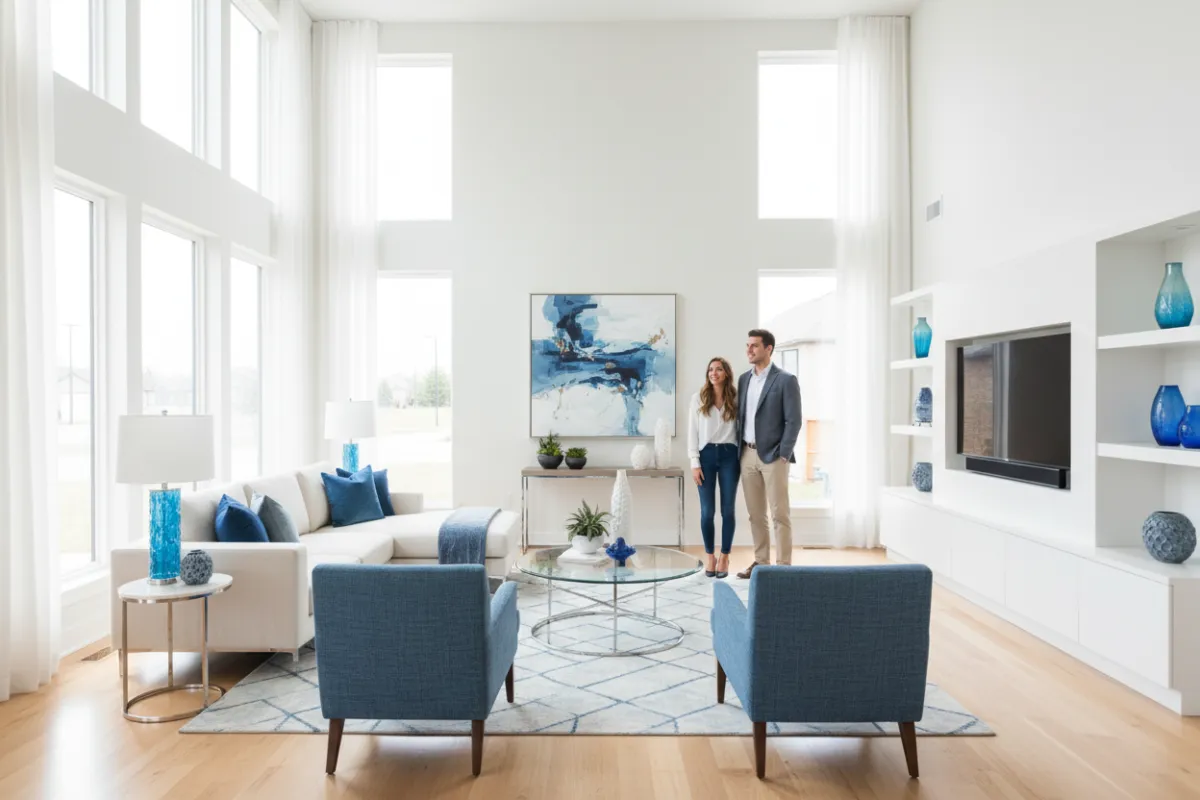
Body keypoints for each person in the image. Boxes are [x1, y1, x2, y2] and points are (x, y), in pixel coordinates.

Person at [736, 329, 802, 579]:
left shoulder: (785, 380)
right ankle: (761, 563)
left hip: (774, 457)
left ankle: (783, 566)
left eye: (754, 346)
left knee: (779, 514)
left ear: (769, 349)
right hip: (747, 454)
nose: (749, 350)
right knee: (756, 514)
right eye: (748, 345)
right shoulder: (744, 380)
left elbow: (794, 421)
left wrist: (784, 454)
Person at [687, 357, 740, 579]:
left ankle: (725, 556)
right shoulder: (698, 399)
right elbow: (692, 432)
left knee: (727, 510)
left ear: (726, 373)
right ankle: (710, 555)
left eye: (718, 369)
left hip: (730, 456)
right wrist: (694, 462)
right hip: (705, 456)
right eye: (710, 369)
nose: (713, 373)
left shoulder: (737, 399)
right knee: (707, 511)